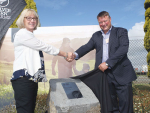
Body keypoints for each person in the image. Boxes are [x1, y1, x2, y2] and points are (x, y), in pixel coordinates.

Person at [10, 9, 74, 113]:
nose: (32, 20)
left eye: (34, 18)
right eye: (28, 18)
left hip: (30, 80)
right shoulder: (22, 33)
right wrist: (65, 54)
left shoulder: (30, 35)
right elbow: (44, 46)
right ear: (23, 20)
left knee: (29, 109)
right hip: (23, 79)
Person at [72, 11, 137, 113]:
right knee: (110, 105)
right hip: (104, 76)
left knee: (126, 106)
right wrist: (75, 55)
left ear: (110, 19)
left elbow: (123, 49)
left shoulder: (121, 32)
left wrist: (107, 63)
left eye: (105, 21)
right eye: (100, 22)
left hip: (122, 74)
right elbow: (86, 47)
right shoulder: (96, 36)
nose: (103, 24)